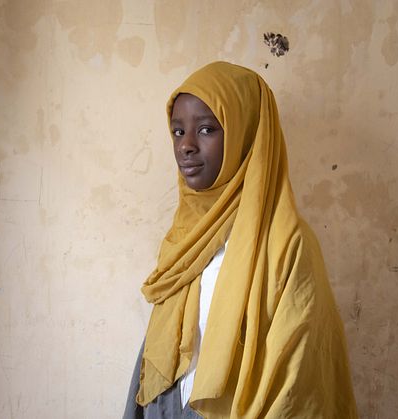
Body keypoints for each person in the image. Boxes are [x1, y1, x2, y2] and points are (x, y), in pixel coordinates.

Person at [123, 61, 357, 418]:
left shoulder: (287, 247)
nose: (185, 145)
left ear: (246, 136)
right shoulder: (185, 240)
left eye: (205, 129)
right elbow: (161, 361)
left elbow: (299, 382)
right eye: (176, 131)